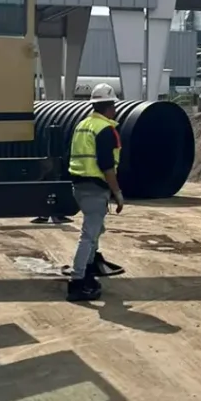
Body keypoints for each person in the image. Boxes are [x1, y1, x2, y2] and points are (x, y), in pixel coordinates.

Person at [65, 83, 126, 302]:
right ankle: (77, 281)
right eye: (114, 107)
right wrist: (117, 193)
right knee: (89, 235)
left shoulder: (83, 125)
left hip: (79, 187)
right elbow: (107, 165)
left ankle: (88, 271)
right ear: (109, 107)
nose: (116, 111)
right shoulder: (105, 130)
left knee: (96, 229)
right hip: (94, 187)